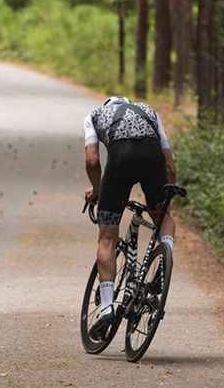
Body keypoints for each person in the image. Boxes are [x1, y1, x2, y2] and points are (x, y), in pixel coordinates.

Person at [82, 96, 176, 340]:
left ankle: (106, 307)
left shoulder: (94, 115)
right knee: (163, 217)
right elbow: (169, 163)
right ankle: (166, 255)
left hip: (120, 160)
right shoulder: (150, 112)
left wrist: (97, 189)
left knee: (106, 239)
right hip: (152, 158)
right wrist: (165, 200)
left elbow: (92, 160)